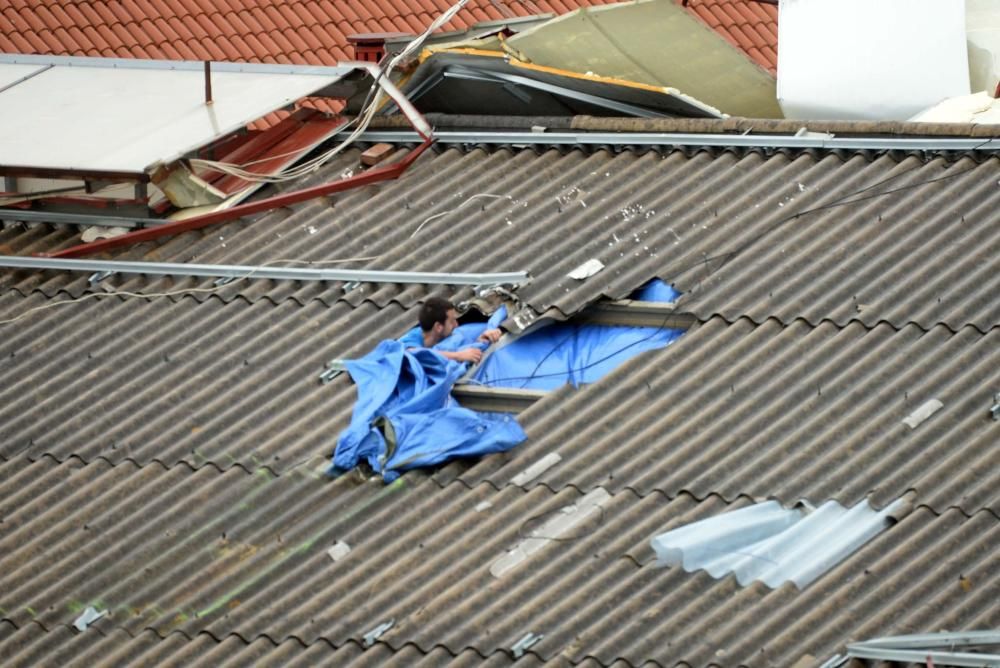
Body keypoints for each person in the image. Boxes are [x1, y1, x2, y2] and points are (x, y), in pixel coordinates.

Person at [399, 296, 502, 364]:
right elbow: (413, 354)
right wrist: (458, 356)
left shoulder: (443, 337)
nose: (456, 325)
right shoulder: (411, 339)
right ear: (438, 327)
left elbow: (459, 343)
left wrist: (481, 339)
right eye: (452, 321)